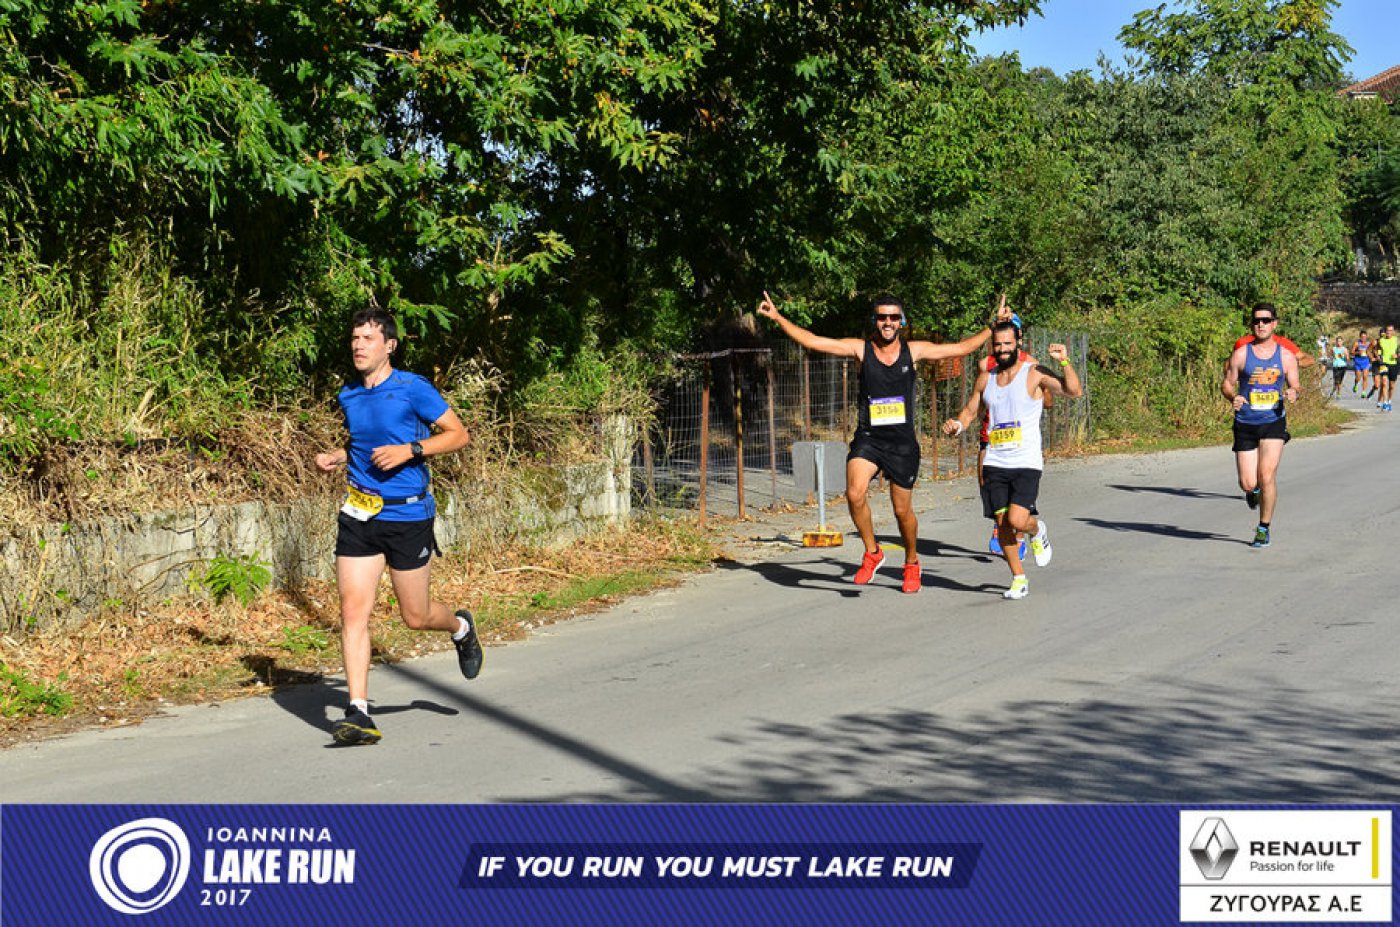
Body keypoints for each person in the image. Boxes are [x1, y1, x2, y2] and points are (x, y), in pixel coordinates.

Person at [757, 291, 1009, 593]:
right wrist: (778, 317)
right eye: (882, 317)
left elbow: (960, 348)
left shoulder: (913, 350)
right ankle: (872, 552)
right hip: (869, 438)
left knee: (902, 512)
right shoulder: (861, 349)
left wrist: (993, 327)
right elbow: (814, 341)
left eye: (893, 317)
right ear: (874, 320)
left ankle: (911, 561)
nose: (887, 322)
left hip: (902, 444)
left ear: (901, 321)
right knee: (854, 493)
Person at [314, 307, 483, 746]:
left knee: (416, 616)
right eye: (355, 338)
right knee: (353, 612)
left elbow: (458, 434)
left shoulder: (413, 388)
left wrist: (412, 450)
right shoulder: (349, 394)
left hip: (407, 515)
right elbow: (362, 442)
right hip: (359, 515)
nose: (358, 345)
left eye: (368, 339)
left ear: (389, 346)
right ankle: (358, 712)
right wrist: (338, 456)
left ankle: (461, 627)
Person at [942, 322, 1083, 599]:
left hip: (1026, 462)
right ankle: (1019, 578)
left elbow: (1073, 391)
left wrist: (1065, 362)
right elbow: (970, 412)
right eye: (998, 345)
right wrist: (957, 426)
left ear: (1018, 341)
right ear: (992, 347)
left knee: (1018, 520)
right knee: (1002, 523)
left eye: (1008, 344)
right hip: (995, 460)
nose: (1003, 349)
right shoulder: (986, 378)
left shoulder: (1034, 373)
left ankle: (1037, 530)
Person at [1221, 303, 1300, 550]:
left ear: (1275, 323)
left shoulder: (1285, 356)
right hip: (1245, 421)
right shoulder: (1241, 354)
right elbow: (1227, 383)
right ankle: (1253, 491)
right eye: (1256, 321)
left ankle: (1263, 528)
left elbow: (1296, 384)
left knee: (1267, 475)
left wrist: (1293, 392)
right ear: (1252, 324)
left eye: (1266, 320)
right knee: (1248, 483)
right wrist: (1232, 396)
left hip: (1273, 421)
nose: (1261, 324)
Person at [1377, 324, 1398, 412]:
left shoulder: (1396, 339)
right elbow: (1377, 350)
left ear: (1393, 332)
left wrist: (1397, 355)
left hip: (1393, 363)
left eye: (1390, 330)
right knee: (1384, 382)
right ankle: (1385, 402)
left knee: (1392, 385)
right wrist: (1378, 356)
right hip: (1383, 363)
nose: (1389, 332)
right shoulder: (1381, 340)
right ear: (1385, 331)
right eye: (1387, 330)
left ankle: (1389, 401)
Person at [1351, 330, 1372, 395]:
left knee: (1365, 377)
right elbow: (1351, 352)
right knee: (1358, 377)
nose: (1363, 338)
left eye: (1365, 337)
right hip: (1358, 362)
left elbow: (1371, 352)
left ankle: (1364, 392)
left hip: (1366, 362)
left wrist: (1371, 357)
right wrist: (1358, 352)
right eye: (1362, 337)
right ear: (1360, 337)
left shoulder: (1368, 344)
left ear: (1366, 337)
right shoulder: (1356, 343)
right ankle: (1356, 384)